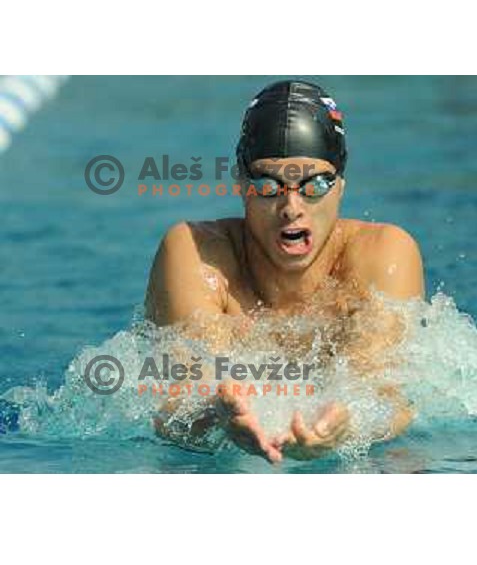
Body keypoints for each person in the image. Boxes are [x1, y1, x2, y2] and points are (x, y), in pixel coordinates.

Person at [144, 80, 425, 463]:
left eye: (315, 184)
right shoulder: (198, 255)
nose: (292, 206)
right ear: (241, 183)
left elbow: (387, 394)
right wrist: (216, 418)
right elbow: (176, 398)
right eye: (267, 184)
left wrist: (348, 427)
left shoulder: (382, 255)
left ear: (341, 184)